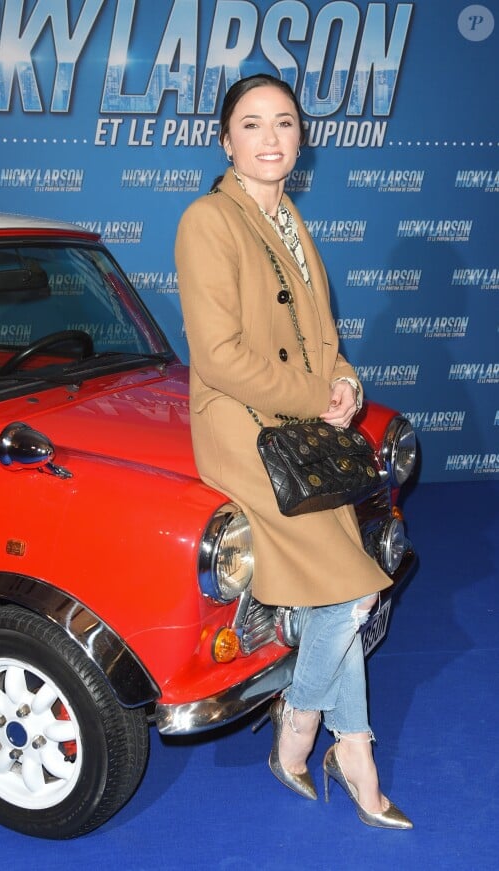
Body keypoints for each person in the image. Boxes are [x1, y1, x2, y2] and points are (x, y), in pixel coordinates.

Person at [175, 73, 412, 830]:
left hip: (297, 428)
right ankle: (324, 737)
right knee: (354, 592)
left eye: (284, 122)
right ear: (225, 140)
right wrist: (318, 397)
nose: (271, 137)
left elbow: (324, 338)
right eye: (252, 124)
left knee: (341, 593)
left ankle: (320, 736)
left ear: (300, 139)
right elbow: (217, 357)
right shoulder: (208, 219)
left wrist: (344, 382)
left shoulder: (289, 220)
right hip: (241, 428)